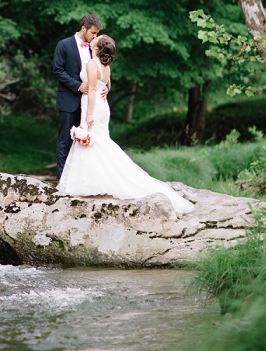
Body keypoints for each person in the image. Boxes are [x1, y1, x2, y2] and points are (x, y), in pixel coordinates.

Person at [57, 35, 194, 216]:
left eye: (98, 38)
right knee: (99, 141)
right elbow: (106, 85)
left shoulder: (92, 63)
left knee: (94, 141)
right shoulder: (105, 65)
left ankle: (91, 182)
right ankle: (96, 180)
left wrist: (89, 113)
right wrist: (105, 89)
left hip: (93, 106)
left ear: (97, 47)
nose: (95, 38)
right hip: (102, 105)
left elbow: (91, 89)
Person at [52, 15, 105, 181]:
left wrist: (106, 88)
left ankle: (79, 179)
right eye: (93, 33)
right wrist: (77, 85)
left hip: (88, 103)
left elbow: (102, 70)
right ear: (84, 28)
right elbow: (58, 70)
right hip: (68, 99)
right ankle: (62, 180)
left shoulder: (94, 48)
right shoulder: (64, 44)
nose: (95, 37)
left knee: (84, 141)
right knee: (64, 141)